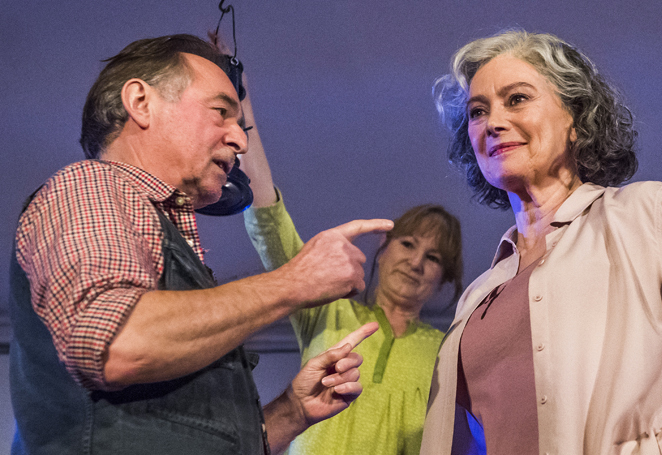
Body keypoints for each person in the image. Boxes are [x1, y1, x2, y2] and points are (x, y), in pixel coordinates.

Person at [9, 34, 395, 455]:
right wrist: (294, 281)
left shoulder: (160, 236)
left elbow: (177, 433)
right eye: (221, 113)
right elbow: (117, 343)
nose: (240, 140)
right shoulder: (91, 187)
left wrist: (291, 413)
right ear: (140, 102)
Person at [420, 30, 662, 455]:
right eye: (478, 111)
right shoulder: (476, 298)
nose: (493, 121)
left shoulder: (648, 213)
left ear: (575, 118)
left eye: (516, 99)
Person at [236, 78, 464, 454]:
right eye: (408, 244)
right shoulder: (328, 311)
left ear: (444, 278)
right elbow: (268, 219)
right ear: (383, 248)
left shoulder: (448, 351)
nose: (416, 261)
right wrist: (239, 96)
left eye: (434, 257)